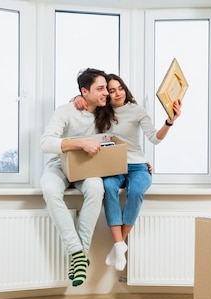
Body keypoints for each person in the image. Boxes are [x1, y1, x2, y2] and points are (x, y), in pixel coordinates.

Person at [74, 73, 182, 271]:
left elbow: (155, 138)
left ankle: (117, 246)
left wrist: (169, 121)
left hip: (138, 166)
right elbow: (83, 102)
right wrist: (76, 99)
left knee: (137, 190)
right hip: (112, 166)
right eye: (112, 90)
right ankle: (119, 245)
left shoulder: (137, 110)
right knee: (107, 187)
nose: (117, 93)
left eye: (120, 88)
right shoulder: (101, 111)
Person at [40, 68, 109, 287]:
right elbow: (46, 143)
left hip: (87, 168)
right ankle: (76, 252)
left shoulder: (105, 114)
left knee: (97, 189)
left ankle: (79, 254)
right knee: (50, 191)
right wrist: (80, 142)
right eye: (100, 88)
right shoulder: (66, 110)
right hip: (59, 165)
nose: (105, 92)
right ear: (84, 92)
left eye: (106, 88)